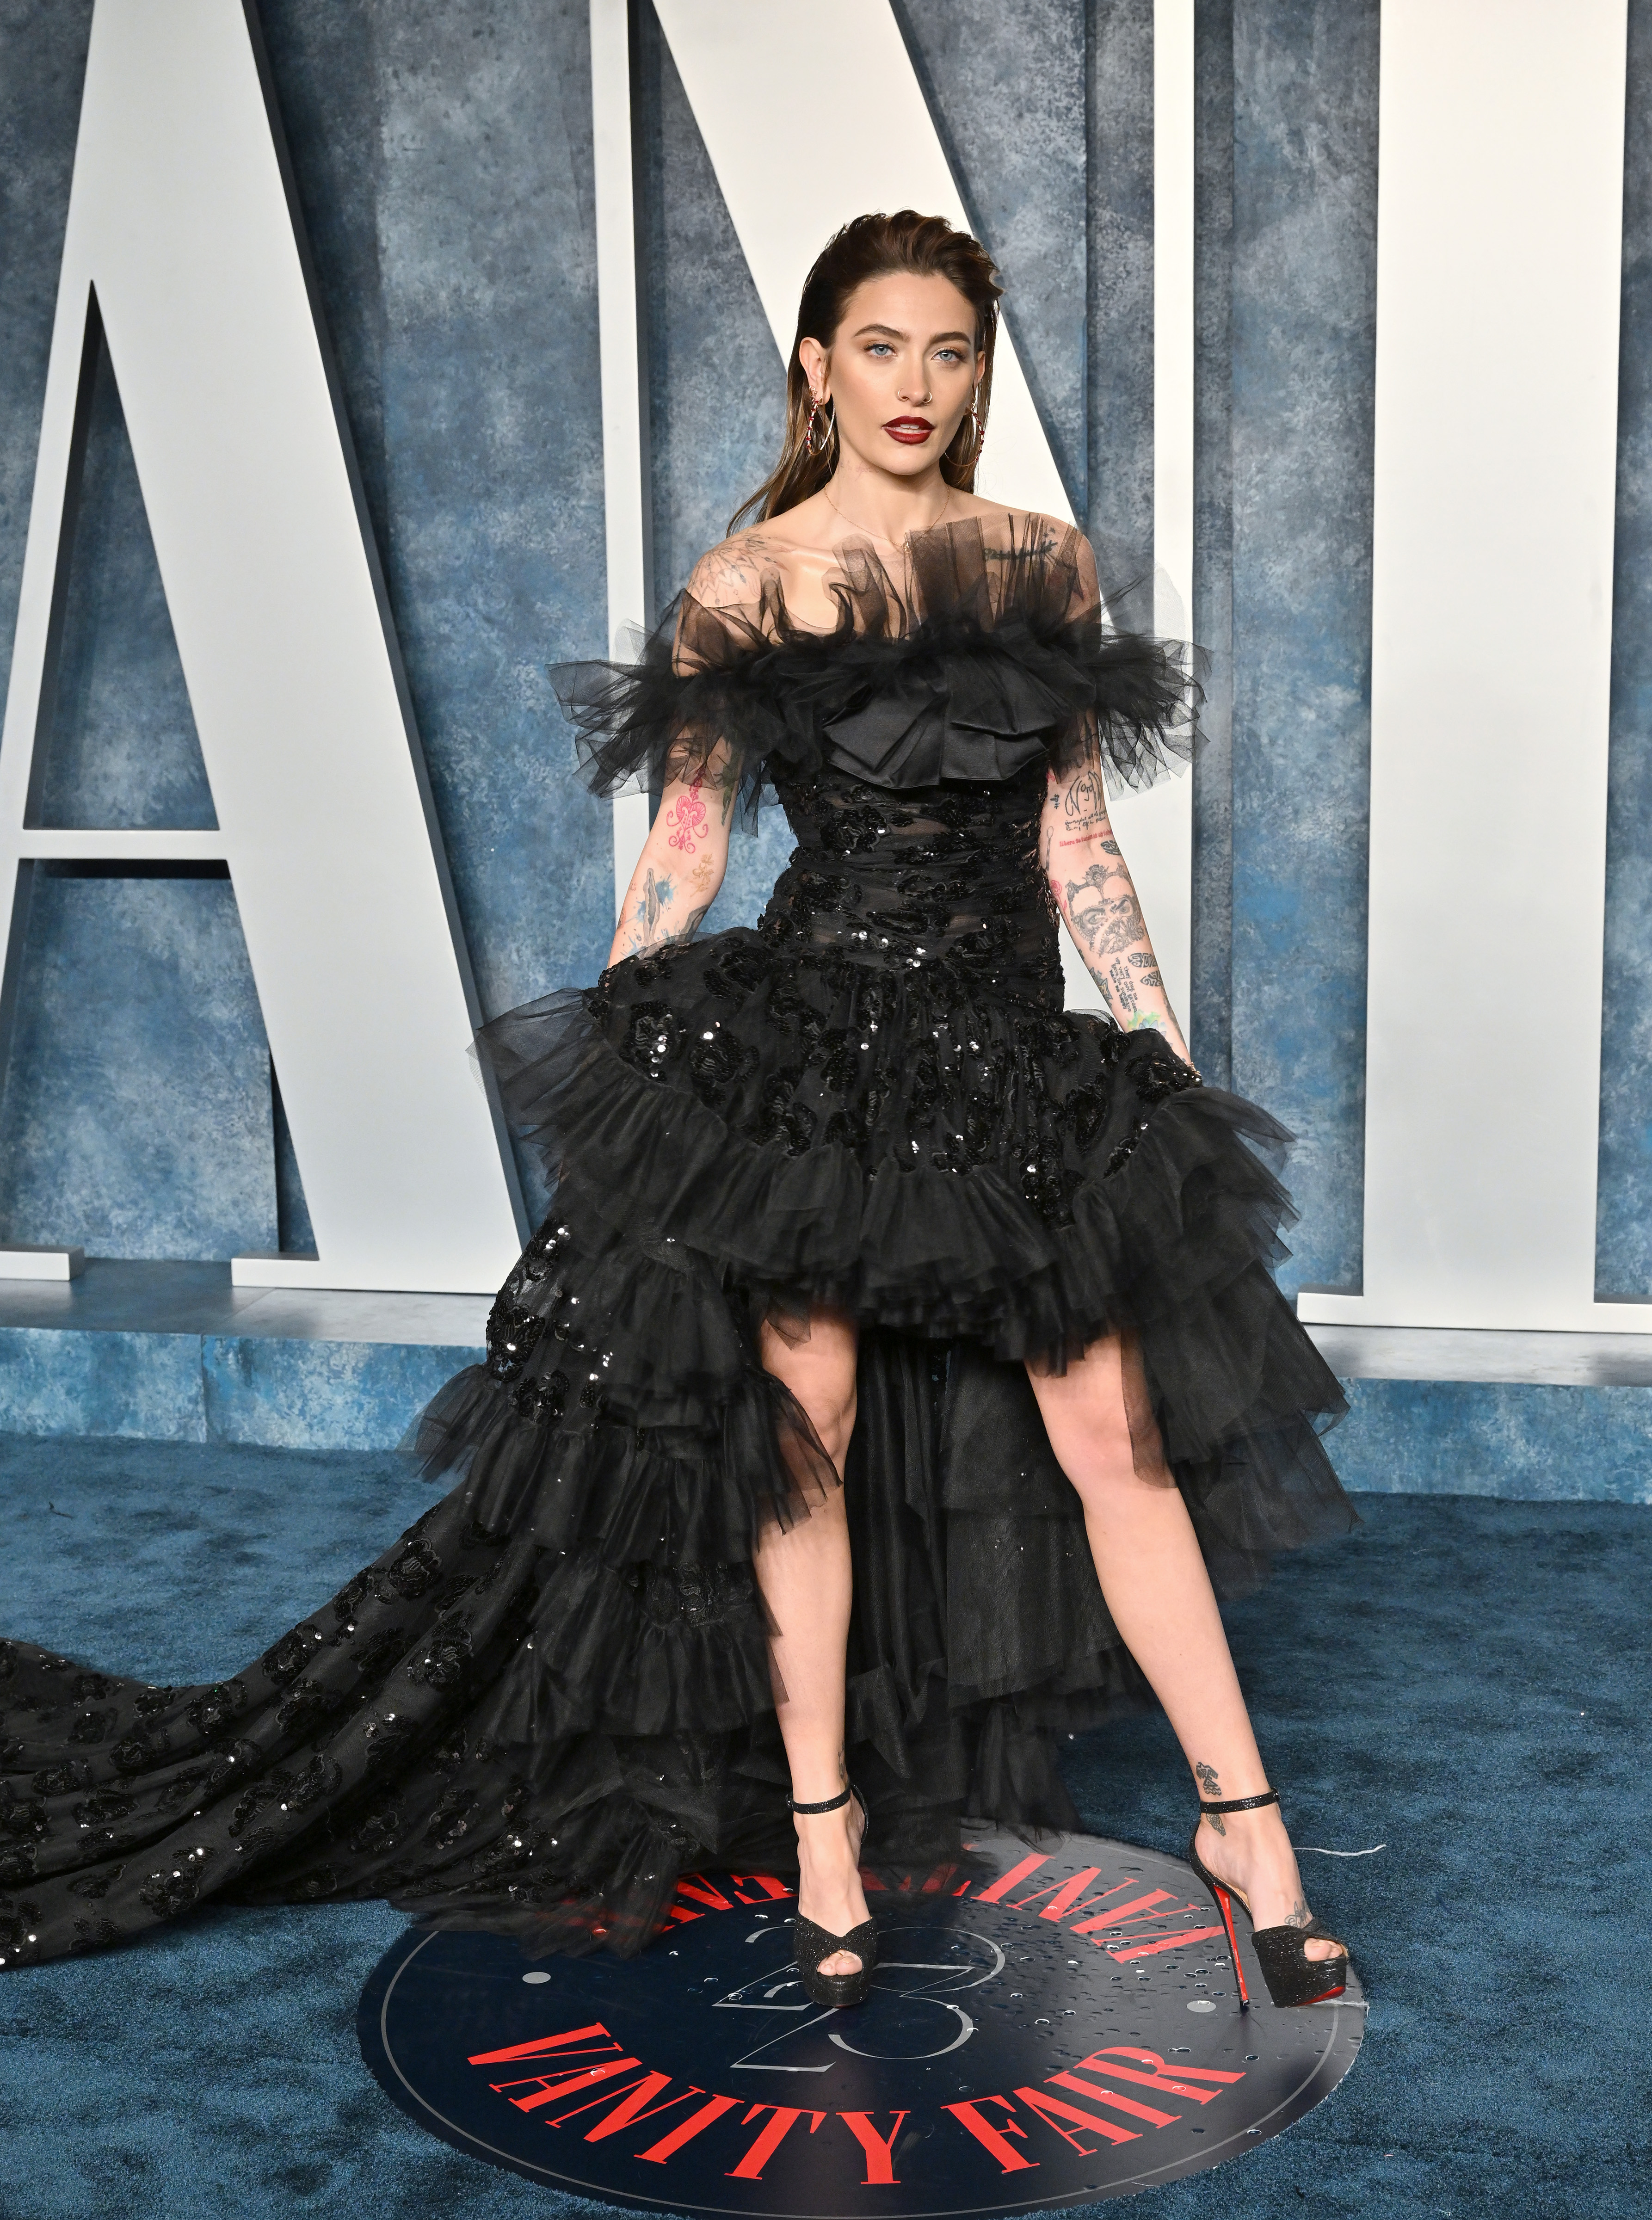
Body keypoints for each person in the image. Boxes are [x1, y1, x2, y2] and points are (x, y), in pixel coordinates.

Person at [0, 212, 1354, 2013]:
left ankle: (1240, 1825)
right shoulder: (742, 578)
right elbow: (692, 841)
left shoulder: (1040, 562)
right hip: (805, 1053)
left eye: (948, 353)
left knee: (1110, 1434)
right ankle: (820, 1833)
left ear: (977, 373)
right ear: (816, 365)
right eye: (879, 348)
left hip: (1008, 1054)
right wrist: (626, 1066)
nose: (915, 386)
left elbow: (1073, 835)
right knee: (803, 1424)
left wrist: (1156, 1052)